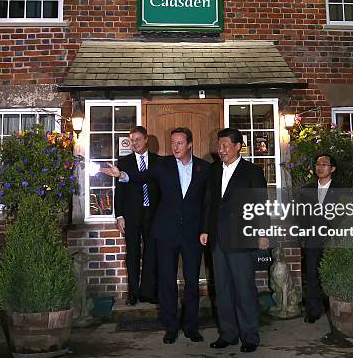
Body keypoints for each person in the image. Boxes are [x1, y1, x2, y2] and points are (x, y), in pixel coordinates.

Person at [102, 127, 211, 345]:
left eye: (180, 143)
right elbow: (141, 176)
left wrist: (205, 229)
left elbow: (207, 203)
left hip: (192, 235)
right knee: (167, 282)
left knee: (191, 283)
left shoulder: (204, 168)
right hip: (166, 233)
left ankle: (191, 326)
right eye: (173, 143)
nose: (175, 147)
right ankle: (170, 326)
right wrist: (122, 175)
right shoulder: (163, 165)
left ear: (190, 144)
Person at [200, 128, 269, 354]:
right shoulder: (213, 170)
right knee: (222, 289)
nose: (221, 150)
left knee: (244, 289)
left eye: (226, 146)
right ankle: (227, 334)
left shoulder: (253, 171)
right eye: (219, 146)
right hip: (218, 239)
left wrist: (262, 233)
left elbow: (259, 204)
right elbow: (208, 203)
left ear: (238, 146)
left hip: (242, 238)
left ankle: (250, 336)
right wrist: (205, 230)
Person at [114, 126, 160, 306]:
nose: (134, 143)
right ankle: (133, 293)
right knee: (132, 254)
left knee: (152, 253)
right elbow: (119, 192)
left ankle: (148, 292)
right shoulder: (123, 162)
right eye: (132, 140)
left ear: (146, 139)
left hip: (153, 214)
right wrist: (119, 216)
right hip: (132, 215)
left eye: (138, 139)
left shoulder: (158, 161)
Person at [299, 153, 342, 324]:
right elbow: (301, 215)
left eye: (324, 164)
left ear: (332, 169)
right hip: (312, 239)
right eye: (318, 164)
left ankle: (337, 309)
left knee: (334, 275)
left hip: (333, 239)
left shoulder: (340, 190)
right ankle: (313, 311)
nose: (320, 167)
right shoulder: (306, 190)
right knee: (312, 275)